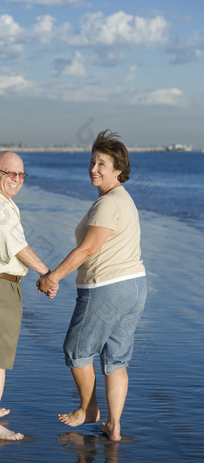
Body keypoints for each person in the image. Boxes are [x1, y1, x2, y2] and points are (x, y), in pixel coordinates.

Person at [37, 130, 147, 441]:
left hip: (107, 288)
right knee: (116, 359)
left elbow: (88, 249)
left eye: (101, 164)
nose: (93, 169)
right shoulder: (124, 201)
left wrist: (53, 276)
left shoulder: (109, 203)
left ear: (118, 170)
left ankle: (89, 408)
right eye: (91, 162)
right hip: (135, 287)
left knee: (76, 350)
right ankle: (114, 425)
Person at [0, 151, 57, 441]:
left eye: (21, 174)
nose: (16, 179)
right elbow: (18, 247)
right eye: (9, 173)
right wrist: (48, 274)